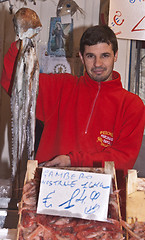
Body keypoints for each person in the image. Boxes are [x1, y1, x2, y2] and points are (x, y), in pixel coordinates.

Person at [1, 25, 145, 178]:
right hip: (49, 188)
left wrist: (73, 161)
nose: (97, 64)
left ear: (115, 55)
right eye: (90, 56)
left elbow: (123, 161)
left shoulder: (132, 105)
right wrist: (21, 43)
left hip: (99, 195)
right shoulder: (61, 87)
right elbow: (14, 82)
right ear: (81, 57)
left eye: (105, 55)